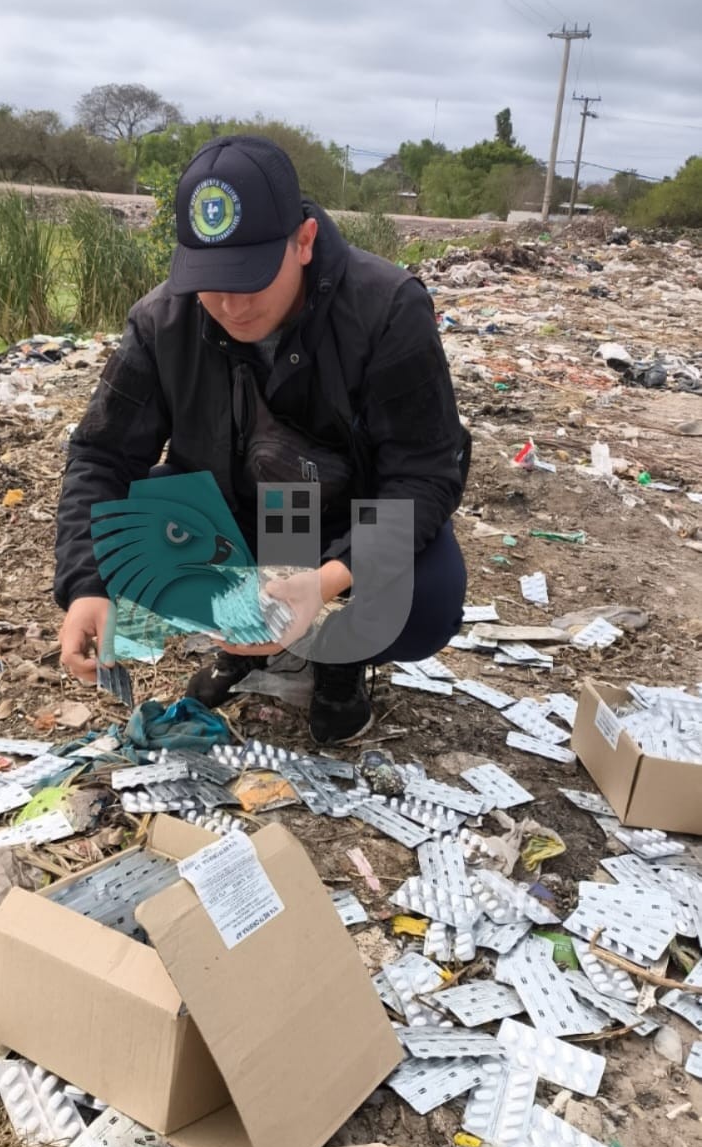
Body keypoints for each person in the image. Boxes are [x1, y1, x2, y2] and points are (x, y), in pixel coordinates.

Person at [55, 133, 469, 745]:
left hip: (344, 517)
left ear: (303, 242)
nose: (229, 305)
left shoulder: (387, 308)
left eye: (249, 277)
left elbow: (427, 473)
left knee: (427, 598)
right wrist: (86, 584)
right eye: (209, 278)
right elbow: (102, 455)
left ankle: (338, 658)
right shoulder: (163, 320)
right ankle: (244, 645)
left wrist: (326, 581)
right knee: (142, 515)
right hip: (243, 512)